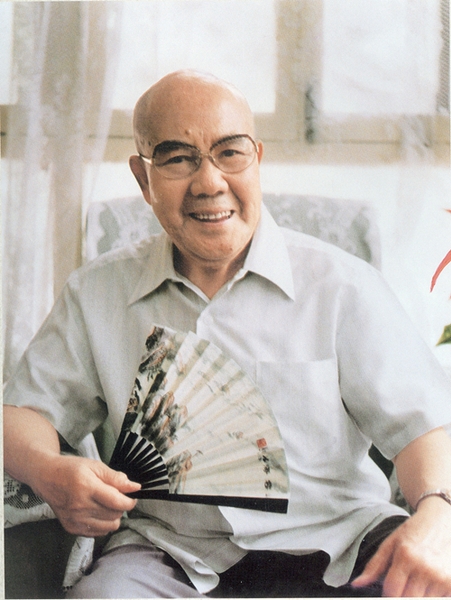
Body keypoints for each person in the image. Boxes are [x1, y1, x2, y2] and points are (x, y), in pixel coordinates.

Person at [4, 69, 451, 598]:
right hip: (168, 553)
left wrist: (438, 513)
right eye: (177, 158)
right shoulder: (96, 293)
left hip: (341, 546)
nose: (209, 182)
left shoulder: (343, 287)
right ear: (143, 179)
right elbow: (22, 413)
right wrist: (49, 470)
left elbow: (425, 427)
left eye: (230, 153)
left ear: (257, 159)